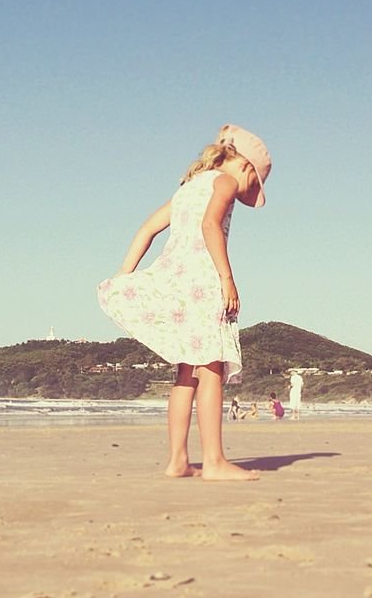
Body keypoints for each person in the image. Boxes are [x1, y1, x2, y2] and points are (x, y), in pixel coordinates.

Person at [97, 124, 271, 481]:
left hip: (178, 285)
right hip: (203, 283)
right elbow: (210, 226)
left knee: (185, 373)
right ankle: (215, 462)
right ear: (247, 168)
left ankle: (178, 460)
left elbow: (146, 229)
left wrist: (124, 273)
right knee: (211, 370)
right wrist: (226, 278)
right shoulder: (224, 182)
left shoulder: (189, 188)